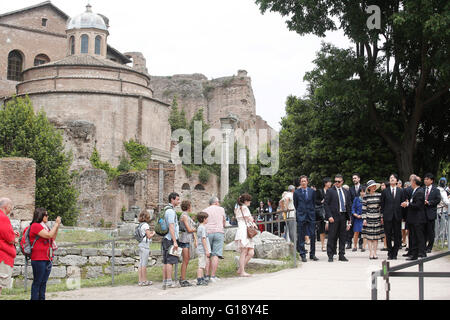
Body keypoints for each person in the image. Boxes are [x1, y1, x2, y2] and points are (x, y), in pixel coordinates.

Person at [29, 208, 61, 300]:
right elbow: (48, 235)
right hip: (38, 258)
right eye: (46, 215)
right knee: (37, 282)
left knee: (43, 282)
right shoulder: (35, 226)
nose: (47, 217)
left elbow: (53, 237)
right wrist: (55, 224)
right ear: (40, 216)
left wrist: (57, 226)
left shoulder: (45, 227)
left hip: (47, 258)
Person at [324, 174, 352, 262]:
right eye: (335, 181)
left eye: (338, 181)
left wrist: (349, 220)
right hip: (334, 216)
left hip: (343, 216)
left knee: (343, 236)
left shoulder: (346, 191)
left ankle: (341, 254)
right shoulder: (330, 191)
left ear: (342, 182)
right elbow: (326, 205)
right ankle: (330, 255)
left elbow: (349, 205)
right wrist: (329, 216)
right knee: (332, 236)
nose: (336, 183)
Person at [380, 174, 405, 260]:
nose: (392, 179)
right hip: (387, 216)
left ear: (397, 181)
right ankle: (390, 252)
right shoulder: (385, 191)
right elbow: (382, 205)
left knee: (398, 236)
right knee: (388, 235)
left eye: (393, 178)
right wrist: (382, 216)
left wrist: (403, 216)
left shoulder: (401, 191)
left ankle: (395, 252)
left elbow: (403, 204)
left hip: (397, 216)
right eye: (390, 178)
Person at [294, 176, 318, 262]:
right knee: (301, 235)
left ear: (307, 182)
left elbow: (313, 202)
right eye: (302, 181)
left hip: (311, 215)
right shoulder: (296, 192)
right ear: (300, 183)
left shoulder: (312, 191)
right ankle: (302, 254)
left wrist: (311, 211)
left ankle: (312, 254)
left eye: (305, 181)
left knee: (313, 234)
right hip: (301, 215)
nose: (303, 182)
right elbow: (295, 204)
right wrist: (300, 212)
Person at [401, 176, 426, 260]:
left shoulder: (419, 191)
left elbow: (418, 205)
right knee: (413, 236)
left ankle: (420, 253)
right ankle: (414, 253)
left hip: (418, 218)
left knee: (418, 236)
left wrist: (408, 204)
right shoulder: (415, 191)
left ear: (414, 182)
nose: (410, 183)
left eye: (411, 181)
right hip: (413, 218)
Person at [203, 196, 226, 283]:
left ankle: (206, 275)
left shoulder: (205, 210)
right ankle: (213, 276)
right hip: (219, 232)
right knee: (216, 254)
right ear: (216, 202)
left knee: (207, 254)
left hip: (208, 232)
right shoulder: (221, 209)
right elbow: (224, 221)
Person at [0, 198, 19, 296]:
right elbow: (10, 239)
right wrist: (14, 238)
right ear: (6, 206)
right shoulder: (3, 217)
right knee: (1, 284)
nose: (11, 208)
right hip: (3, 255)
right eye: (11, 206)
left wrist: (12, 233)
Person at [162, 192, 181, 289]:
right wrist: (175, 241)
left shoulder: (166, 209)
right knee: (170, 261)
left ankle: (165, 281)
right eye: (177, 199)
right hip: (170, 238)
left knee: (166, 261)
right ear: (172, 200)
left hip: (166, 238)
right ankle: (169, 282)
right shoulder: (170, 211)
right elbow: (171, 226)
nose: (179, 201)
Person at [234, 193, 256, 277]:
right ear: (246, 201)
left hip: (242, 230)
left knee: (250, 252)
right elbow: (250, 218)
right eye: (249, 201)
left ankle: (240, 269)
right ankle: (242, 271)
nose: (250, 202)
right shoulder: (245, 208)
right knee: (245, 251)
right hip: (244, 230)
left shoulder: (237, 208)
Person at [362, 180, 384, 260]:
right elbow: (364, 208)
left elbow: (381, 208)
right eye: (372, 186)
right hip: (368, 217)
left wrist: (381, 217)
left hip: (377, 217)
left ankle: (375, 252)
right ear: (369, 188)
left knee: (376, 237)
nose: (374, 187)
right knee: (369, 236)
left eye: (375, 186)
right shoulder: (365, 196)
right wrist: (364, 218)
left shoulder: (379, 195)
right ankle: (370, 252)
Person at [178, 200, 197, 287]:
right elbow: (189, 229)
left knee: (187, 259)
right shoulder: (184, 216)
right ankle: (182, 279)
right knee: (185, 260)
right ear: (188, 206)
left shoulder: (185, 216)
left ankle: (183, 277)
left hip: (187, 239)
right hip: (185, 239)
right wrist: (196, 228)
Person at [423, 173, 441, 253]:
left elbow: (438, 200)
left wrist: (429, 202)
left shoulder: (436, 190)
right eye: (425, 179)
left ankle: (429, 246)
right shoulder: (422, 189)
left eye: (427, 179)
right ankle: (423, 246)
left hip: (431, 213)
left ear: (431, 180)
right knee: (423, 230)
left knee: (430, 231)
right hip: (422, 213)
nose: (425, 181)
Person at [137, 210, 155, 286]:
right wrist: (153, 233)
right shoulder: (146, 225)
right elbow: (149, 236)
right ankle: (144, 280)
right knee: (144, 264)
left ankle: (140, 280)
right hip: (145, 245)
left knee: (141, 263)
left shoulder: (140, 225)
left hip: (140, 244)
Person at [316, 178, 332, 252]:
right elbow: (315, 201)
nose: (330, 183)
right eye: (329, 182)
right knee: (322, 229)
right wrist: (321, 201)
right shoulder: (319, 191)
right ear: (325, 183)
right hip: (322, 213)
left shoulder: (332, 191)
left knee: (331, 229)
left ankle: (330, 245)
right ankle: (323, 245)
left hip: (330, 212)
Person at [348, 173, 363, 249]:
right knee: (351, 227)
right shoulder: (351, 189)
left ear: (359, 179)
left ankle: (360, 243)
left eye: (355, 178)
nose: (354, 179)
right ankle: (349, 243)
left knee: (361, 228)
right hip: (353, 211)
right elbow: (349, 200)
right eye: (353, 178)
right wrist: (352, 211)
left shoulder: (363, 187)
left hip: (361, 212)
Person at [196, 212, 211, 286]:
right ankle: (199, 279)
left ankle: (201, 278)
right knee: (201, 265)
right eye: (207, 218)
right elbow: (203, 239)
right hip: (202, 249)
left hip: (200, 249)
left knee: (202, 264)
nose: (208, 219)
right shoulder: (203, 228)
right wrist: (207, 250)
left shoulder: (200, 227)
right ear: (204, 219)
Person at [351, 186, 366, 252]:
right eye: (361, 191)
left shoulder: (367, 199)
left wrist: (364, 215)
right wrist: (355, 214)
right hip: (357, 218)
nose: (362, 193)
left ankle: (363, 247)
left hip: (365, 218)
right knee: (356, 232)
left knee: (364, 233)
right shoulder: (356, 199)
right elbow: (353, 208)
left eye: (364, 191)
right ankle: (354, 246)